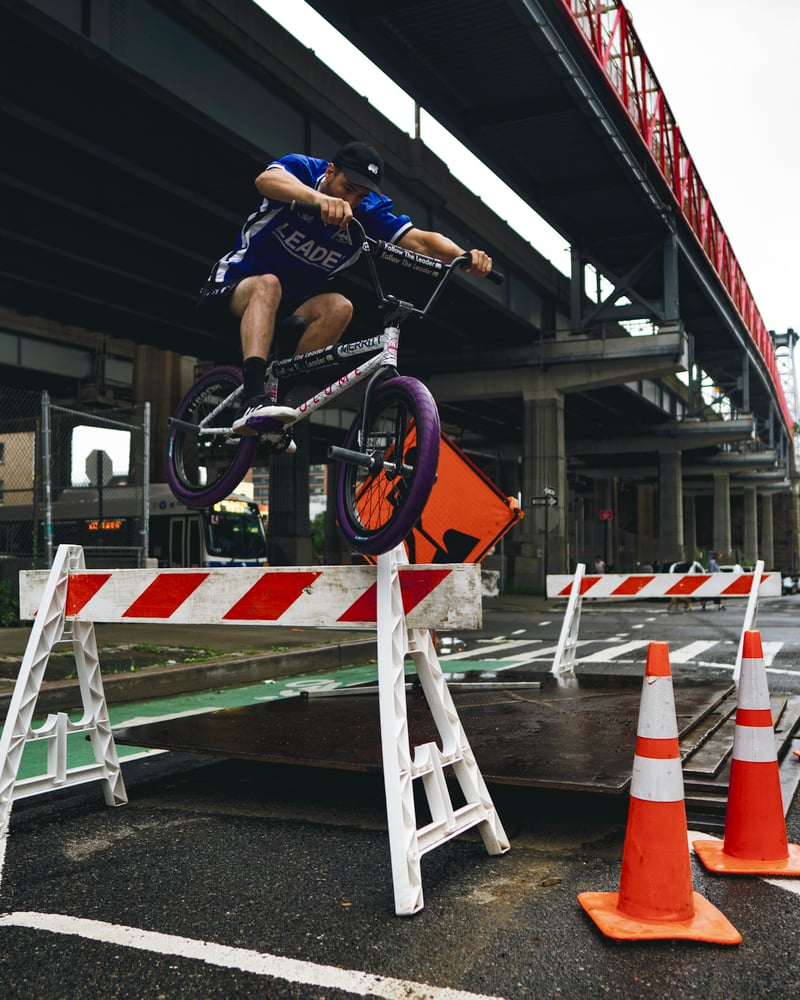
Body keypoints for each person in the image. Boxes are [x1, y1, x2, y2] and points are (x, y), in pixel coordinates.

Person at [197, 141, 495, 443]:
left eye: (360, 195)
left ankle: (275, 401)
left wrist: (464, 256)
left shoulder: (366, 213)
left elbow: (421, 241)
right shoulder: (303, 170)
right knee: (268, 283)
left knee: (340, 307)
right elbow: (266, 181)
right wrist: (317, 200)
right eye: (347, 187)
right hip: (232, 289)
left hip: (287, 311)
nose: (350, 201)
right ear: (330, 171)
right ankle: (252, 400)